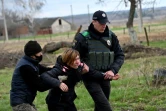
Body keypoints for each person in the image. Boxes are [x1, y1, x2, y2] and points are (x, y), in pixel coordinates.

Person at [73, 10, 125, 111]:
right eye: (101, 23)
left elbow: (120, 55)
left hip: (106, 76)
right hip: (90, 77)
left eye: (105, 23)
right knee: (105, 107)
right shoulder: (83, 38)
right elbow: (75, 59)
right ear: (94, 22)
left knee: (100, 107)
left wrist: (113, 71)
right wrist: (82, 67)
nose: (104, 25)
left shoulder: (111, 36)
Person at [10, 40, 51, 111]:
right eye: (39, 52)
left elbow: (45, 70)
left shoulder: (31, 63)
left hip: (26, 101)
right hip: (20, 103)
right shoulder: (26, 67)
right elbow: (40, 86)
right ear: (32, 55)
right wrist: (57, 83)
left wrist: (59, 70)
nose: (41, 54)